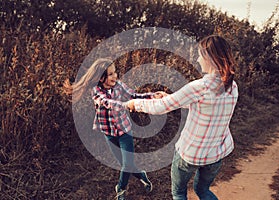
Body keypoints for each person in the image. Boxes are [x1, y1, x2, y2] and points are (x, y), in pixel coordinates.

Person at [126, 35, 238, 200]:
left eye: (200, 55)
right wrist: (169, 96)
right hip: (216, 153)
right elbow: (204, 105)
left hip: (191, 153)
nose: (198, 59)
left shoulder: (199, 87)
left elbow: (160, 107)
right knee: (203, 190)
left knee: (179, 193)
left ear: (209, 58)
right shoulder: (232, 86)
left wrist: (135, 104)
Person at [64, 58, 164, 200]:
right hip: (109, 133)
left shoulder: (119, 86)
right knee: (124, 164)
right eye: (110, 74)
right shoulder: (96, 91)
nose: (115, 76)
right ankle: (142, 175)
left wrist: (152, 96)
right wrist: (126, 105)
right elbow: (107, 102)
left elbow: (134, 96)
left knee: (127, 163)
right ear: (101, 77)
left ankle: (121, 190)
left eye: (115, 72)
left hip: (124, 131)